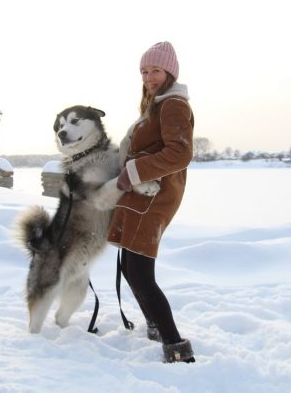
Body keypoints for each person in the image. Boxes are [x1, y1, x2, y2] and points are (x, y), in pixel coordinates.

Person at [107, 41, 196, 363]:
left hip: (154, 197)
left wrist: (133, 171)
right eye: (144, 71)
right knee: (131, 269)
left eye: (155, 70)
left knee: (141, 273)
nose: (149, 77)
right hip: (141, 195)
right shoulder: (155, 105)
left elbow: (181, 153)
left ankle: (176, 347)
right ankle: (157, 328)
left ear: (169, 71)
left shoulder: (173, 104)